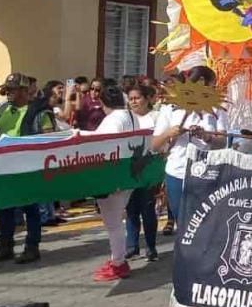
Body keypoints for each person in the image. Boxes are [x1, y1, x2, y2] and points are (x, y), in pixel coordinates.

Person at [0, 73, 55, 265]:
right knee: (5, 207)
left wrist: (25, 144)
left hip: (28, 167)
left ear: (25, 91)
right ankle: (5, 246)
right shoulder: (0, 111)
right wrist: (2, 142)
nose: (8, 93)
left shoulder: (38, 112)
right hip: (6, 166)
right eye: (7, 89)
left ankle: (32, 247)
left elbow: (49, 136)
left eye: (13, 90)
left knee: (31, 208)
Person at [91, 86, 154, 281]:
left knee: (113, 224)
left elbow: (104, 146)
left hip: (114, 176)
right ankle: (117, 259)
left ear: (102, 103)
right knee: (117, 220)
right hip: (129, 175)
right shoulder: (131, 116)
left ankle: (118, 262)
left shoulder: (112, 119)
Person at [153, 66, 228, 225]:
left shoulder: (217, 110)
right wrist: (170, 133)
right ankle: (182, 249)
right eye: (211, 86)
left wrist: (207, 137)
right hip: (177, 171)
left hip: (206, 171)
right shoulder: (169, 109)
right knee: (181, 218)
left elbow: (222, 142)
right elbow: (154, 145)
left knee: (203, 220)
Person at [124, 84, 160, 262]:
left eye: (137, 98)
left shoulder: (156, 117)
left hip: (150, 168)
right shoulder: (126, 118)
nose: (133, 102)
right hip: (131, 168)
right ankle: (132, 246)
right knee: (131, 209)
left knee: (147, 208)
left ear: (146, 99)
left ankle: (151, 247)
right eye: (130, 99)